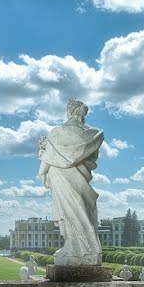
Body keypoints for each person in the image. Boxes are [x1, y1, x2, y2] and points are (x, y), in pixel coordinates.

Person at [38, 98, 103, 266]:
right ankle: (81, 248)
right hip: (80, 178)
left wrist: (42, 173)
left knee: (68, 213)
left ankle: (77, 248)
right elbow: (91, 159)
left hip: (61, 175)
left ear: (69, 111)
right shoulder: (95, 134)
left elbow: (48, 159)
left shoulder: (57, 133)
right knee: (82, 211)